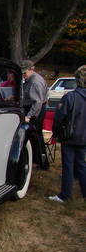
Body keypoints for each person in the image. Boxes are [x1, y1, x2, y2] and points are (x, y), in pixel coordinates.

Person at [48, 65, 86, 203]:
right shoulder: (72, 97)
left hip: (70, 136)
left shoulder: (70, 97)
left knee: (68, 166)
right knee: (81, 164)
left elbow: (59, 118)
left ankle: (65, 194)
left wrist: (56, 132)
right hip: (83, 136)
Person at [21, 60, 49, 169]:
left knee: (37, 136)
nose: (23, 75)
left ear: (32, 69)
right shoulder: (30, 79)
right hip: (33, 109)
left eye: (25, 72)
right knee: (36, 135)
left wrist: (29, 116)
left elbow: (37, 102)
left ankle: (42, 162)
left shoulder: (35, 82)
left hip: (36, 111)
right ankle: (38, 160)